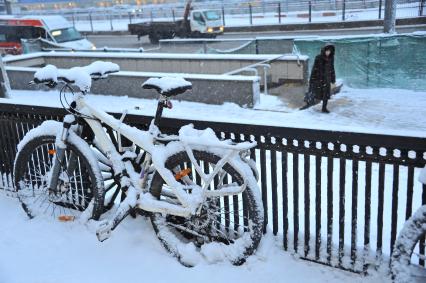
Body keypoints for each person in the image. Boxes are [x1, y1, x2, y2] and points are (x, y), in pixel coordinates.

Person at [301, 43, 336, 113]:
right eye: (327, 51)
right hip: (318, 79)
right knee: (313, 92)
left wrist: (333, 78)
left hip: (327, 79)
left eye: (330, 51)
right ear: (324, 50)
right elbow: (314, 69)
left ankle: (324, 108)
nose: (328, 52)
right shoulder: (318, 57)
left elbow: (332, 68)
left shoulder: (331, 58)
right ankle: (307, 104)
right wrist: (312, 79)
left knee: (326, 95)